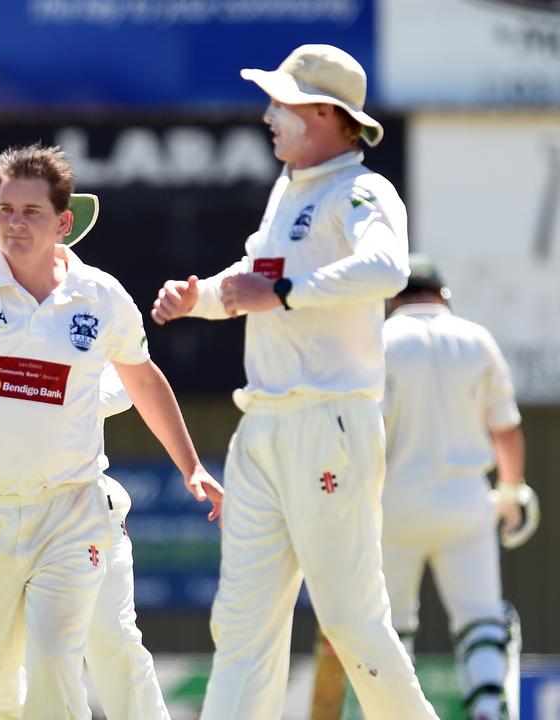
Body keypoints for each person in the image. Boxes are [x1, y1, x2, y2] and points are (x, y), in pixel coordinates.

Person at [0, 76, 221, 719]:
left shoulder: (101, 296)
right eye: (5, 211)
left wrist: (191, 465)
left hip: (71, 510)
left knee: (57, 660)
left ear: (64, 223)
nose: (15, 225)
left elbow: (142, 379)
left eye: (31, 213)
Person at [150, 45, 437, 718]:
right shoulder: (288, 191)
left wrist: (279, 290)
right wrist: (201, 298)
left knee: (350, 618)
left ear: (323, 113)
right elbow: (252, 281)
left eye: (282, 102)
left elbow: (388, 269)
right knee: (242, 623)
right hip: (265, 426)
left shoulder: (362, 191)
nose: (269, 115)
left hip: (330, 423)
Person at [0, 338, 171, 720]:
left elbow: (127, 384)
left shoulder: (88, 294)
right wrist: (10, 413)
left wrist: (49, 402)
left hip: (79, 509)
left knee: (110, 642)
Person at [378, 255, 536, 720]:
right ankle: (488, 709)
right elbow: (505, 428)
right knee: (481, 621)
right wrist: (510, 491)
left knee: (390, 628)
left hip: (394, 501)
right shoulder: (476, 339)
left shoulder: (380, 341)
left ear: (394, 298)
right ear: (443, 294)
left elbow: (365, 433)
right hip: (468, 499)